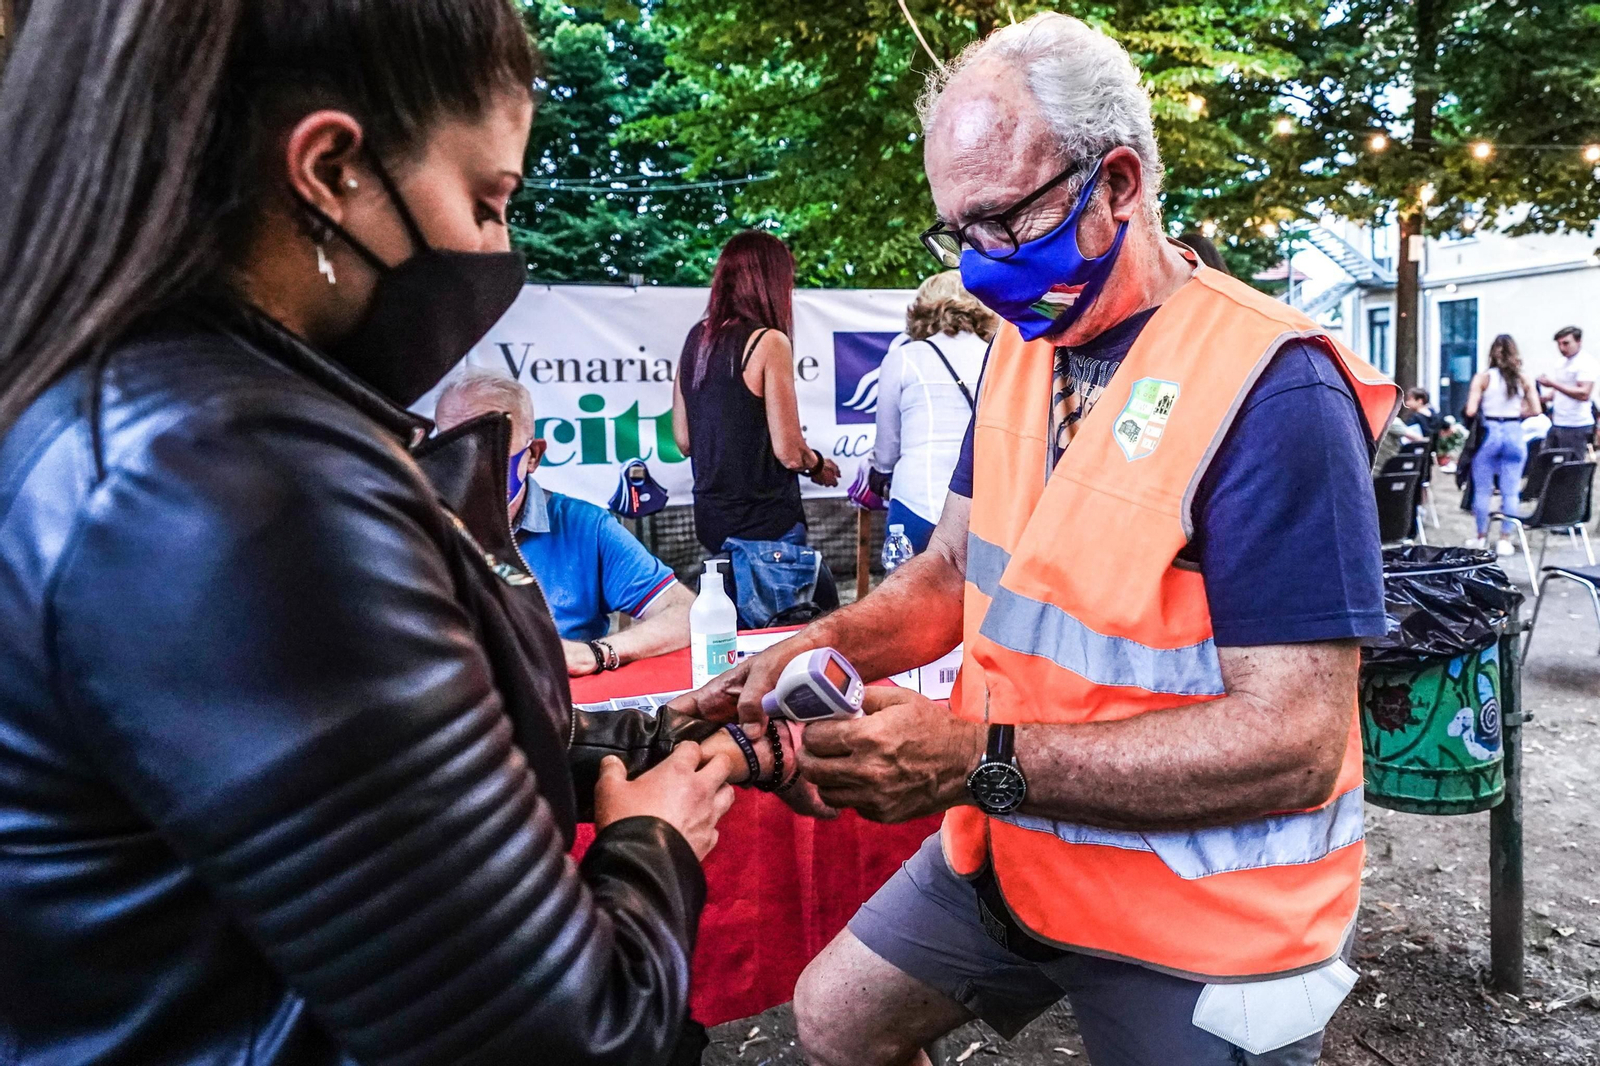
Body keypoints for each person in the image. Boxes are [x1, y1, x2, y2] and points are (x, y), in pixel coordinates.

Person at [0, 4, 803, 1063]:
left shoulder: (131, 430)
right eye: (488, 201)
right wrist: (653, 843)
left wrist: (659, 750)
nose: (500, 250)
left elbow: (341, 794)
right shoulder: (242, 495)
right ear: (330, 171)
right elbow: (566, 1035)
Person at [672, 13, 1400, 1065]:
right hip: (1015, 848)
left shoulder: (1273, 388)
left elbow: (1291, 743)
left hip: (1204, 912)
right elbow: (954, 568)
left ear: (1118, 183)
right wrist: (814, 648)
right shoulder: (1029, 346)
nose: (978, 271)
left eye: (1004, 224)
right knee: (835, 1017)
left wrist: (977, 760)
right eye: (956, 235)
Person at [435, 370, 696, 676]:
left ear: (532, 455)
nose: (469, 464)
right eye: (451, 447)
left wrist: (594, 654)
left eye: (489, 445)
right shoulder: (414, 526)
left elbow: (684, 613)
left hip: (562, 710)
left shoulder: (583, 527)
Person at [672, 231, 840, 556]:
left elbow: (683, 440)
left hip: (712, 522)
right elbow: (790, 452)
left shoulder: (697, 338)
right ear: (772, 282)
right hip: (767, 525)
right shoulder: (769, 341)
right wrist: (818, 465)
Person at [870, 271, 995, 552]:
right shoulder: (996, 355)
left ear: (922, 310)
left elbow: (887, 452)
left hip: (917, 503)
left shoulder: (904, 358)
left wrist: (879, 473)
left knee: (908, 592)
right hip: (983, 504)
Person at [1464, 335, 1540, 554]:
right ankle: (1505, 539)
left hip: (1490, 432)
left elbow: (1470, 410)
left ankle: (1481, 537)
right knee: (1510, 490)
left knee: (1483, 489)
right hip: (1514, 431)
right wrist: (1518, 411)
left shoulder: (1483, 378)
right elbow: (1536, 410)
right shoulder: (1523, 378)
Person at [1538, 325, 1596, 455]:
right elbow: (1563, 388)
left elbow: (1584, 393)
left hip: (1576, 424)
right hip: (1558, 421)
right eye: (1559, 344)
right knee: (1547, 460)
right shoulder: (1561, 363)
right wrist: (1547, 397)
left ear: (1578, 342)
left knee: (1572, 466)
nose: (1562, 348)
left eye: (1566, 343)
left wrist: (1553, 383)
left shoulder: (1585, 362)